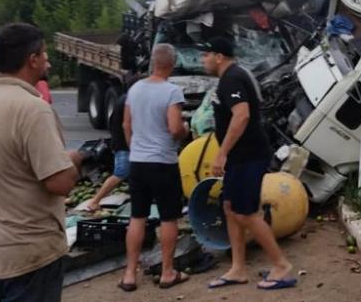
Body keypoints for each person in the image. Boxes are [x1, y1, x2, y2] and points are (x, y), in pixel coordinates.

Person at [0, 23, 83, 302]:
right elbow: (59, 182)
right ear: (32, 59)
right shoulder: (32, 108)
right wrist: (74, 160)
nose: (48, 60)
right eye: (44, 53)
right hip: (30, 253)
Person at [201, 37, 296, 291]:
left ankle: (282, 266)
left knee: (246, 212)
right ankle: (238, 268)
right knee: (230, 207)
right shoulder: (232, 75)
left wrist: (221, 153)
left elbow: (241, 116)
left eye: (205, 55)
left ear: (219, 56)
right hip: (239, 157)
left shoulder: (232, 78)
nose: (203, 60)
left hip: (249, 155)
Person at [118, 44, 189, 292]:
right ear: (171, 64)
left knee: (137, 216)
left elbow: (126, 125)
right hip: (163, 163)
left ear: (152, 63)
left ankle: (129, 275)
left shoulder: (135, 89)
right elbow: (174, 128)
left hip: (138, 162)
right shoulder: (172, 91)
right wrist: (185, 129)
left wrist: (135, 148)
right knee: (169, 217)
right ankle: (168, 272)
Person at [85, 88, 130, 212]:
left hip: (119, 142)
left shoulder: (123, 99)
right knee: (120, 174)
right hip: (124, 145)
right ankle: (95, 201)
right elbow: (127, 125)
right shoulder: (128, 101)